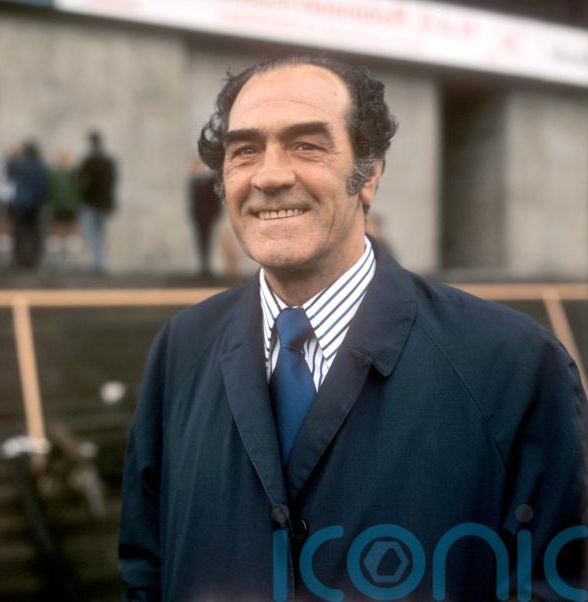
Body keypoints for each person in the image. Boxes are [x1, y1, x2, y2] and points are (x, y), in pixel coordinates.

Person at [119, 56, 586, 601]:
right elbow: (145, 568)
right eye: (245, 150)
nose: (269, 175)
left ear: (370, 173)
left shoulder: (515, 365)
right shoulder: (181, 347)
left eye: (306, 145)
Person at [77, 130, 117, 273]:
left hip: (90, 203)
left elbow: (79, 180)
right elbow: (112, 182)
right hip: (103, 204)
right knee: (100, 235)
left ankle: (96, 264)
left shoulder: (88, 162)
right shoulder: (108, 162)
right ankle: (99, 263)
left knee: (92, 235)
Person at [6, 141, 47, 269]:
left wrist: (14, 154)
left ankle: (19, 258)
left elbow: (9, 171)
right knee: (34, 232)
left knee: (20, 232)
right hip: (36, 204)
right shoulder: (40, 166)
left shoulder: (20, 165)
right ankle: (34, 259)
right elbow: (43, 185)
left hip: (20, 203)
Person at [188, 156, 221, 277]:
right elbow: (192, 200)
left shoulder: (210, 179)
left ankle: (207, 266)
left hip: (209, 215)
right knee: (201, 240)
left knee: (208, 239)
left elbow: (215, 200)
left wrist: (216, 214)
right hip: (198, 215)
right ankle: (203, 265)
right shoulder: (194, 180)